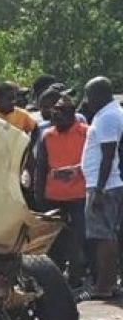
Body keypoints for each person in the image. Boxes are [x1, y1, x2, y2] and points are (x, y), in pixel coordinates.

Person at [78, 76, 123, 300]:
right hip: (105, 183)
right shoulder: (111, 113)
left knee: (103, 237)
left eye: (88, 95)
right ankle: (109, 283)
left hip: (103, 186)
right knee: (108, 236)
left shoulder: (106, 117)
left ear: (99, 95)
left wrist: (98, 190)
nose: (86, 100)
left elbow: (108, 155)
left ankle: (103, 286)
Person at [38, 96, 88, 288]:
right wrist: (39, 197)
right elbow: (41, 167)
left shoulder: (85, 133)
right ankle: (55, 280)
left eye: (61, 113)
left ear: (71, 115)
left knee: (77, 237)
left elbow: (94, 161)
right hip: (53, 196)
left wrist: (75, 169)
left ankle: (76, 278)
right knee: (53, 241)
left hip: (78, 196)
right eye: (54, 113)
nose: (56, 116)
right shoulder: (48, 136)